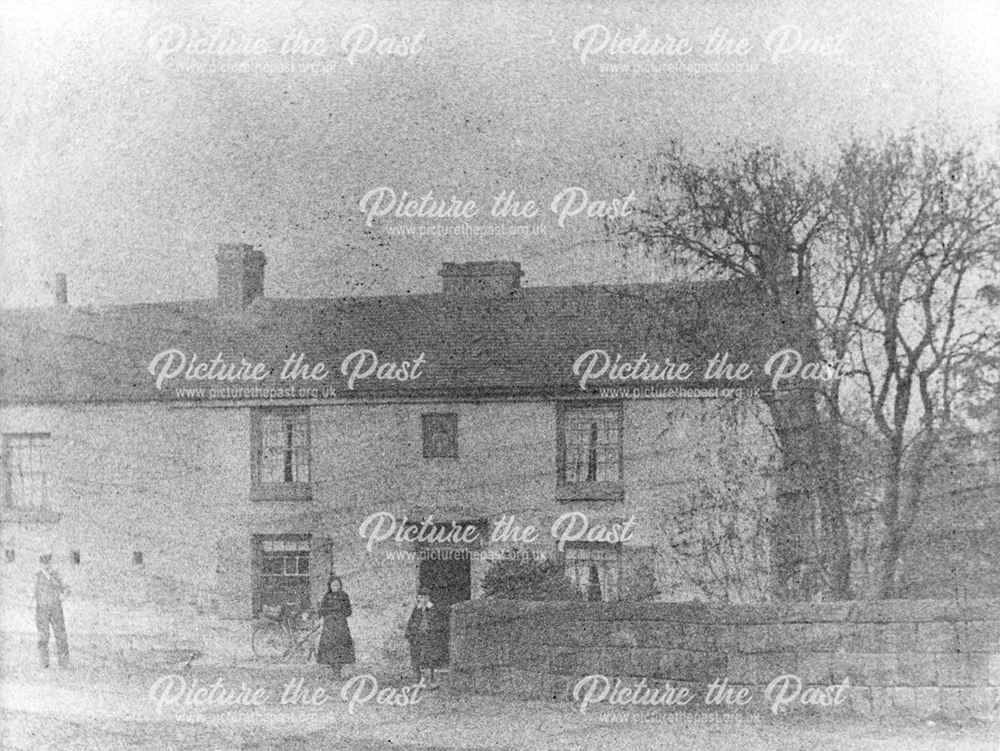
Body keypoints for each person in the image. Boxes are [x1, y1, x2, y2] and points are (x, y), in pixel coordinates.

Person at [404, 587, 447, 685]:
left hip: (429, 636)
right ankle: (418, 680)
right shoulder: (417, 609)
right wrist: (409, 633)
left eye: (422, 597)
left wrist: (434, 632)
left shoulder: (433, 608)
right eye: (419, 597)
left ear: (427, 598)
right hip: (417, 636)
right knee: (416, 657)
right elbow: (411, 621)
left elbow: (437, 622)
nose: (420, 600)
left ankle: (432, 680)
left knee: (430, 658)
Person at [35, 552, 70, 668]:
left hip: (56, 609)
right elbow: (30, 593)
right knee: (43, 637)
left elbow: (67, 588)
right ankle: (43, 663)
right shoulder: (37, 577)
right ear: (40, 564)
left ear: (51, 563)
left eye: (48, 563)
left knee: (60, 635)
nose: (47, 565)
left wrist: (62, 597)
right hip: (42, 610)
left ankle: (64, 662)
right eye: (44, 563)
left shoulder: (56, 575)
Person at [316, 575, 355, 678]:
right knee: (330, 647)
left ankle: (339, 671)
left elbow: (349, 611)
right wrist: (330, 611)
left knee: (341, 646)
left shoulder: (344, 596)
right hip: (329, 626)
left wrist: (341, 611)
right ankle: (333, 671)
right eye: (333, 585)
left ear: (340, 586)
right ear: (330, 586)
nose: (336, 587)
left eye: (338, 585)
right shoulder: (327, 597)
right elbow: (321, 611)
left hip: (341, 625)